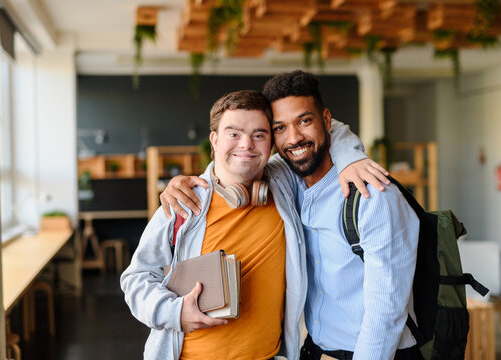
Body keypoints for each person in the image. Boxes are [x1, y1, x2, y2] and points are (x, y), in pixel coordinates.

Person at [161, 70, 421, 359]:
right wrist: (189, 183)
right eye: (280, 128)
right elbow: (238, 164)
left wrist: (352, 155)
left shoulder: (373, 196)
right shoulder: (287, 180)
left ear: (325, 120)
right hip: (315, 349)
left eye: (304, 121)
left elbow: (386, 311)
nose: (294, 138)